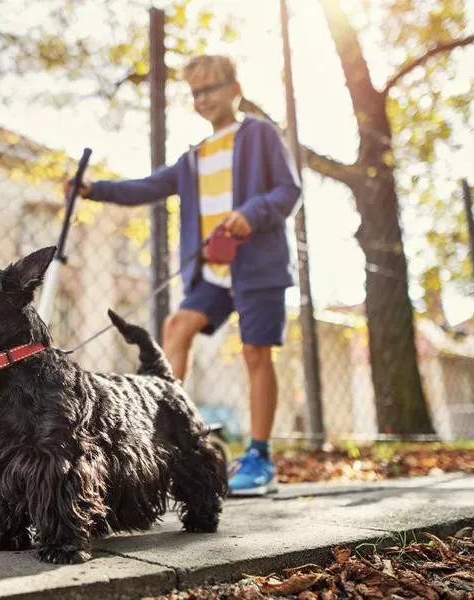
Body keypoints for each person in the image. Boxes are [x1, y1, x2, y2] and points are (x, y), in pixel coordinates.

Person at [64, 54, 301, 496]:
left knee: (255, 352)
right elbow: (146, 187)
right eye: (195, 93)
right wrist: (94, 190)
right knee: (177, 326)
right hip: (211, 271)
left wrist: (252, 213)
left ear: (235, 89)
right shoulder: (194, 157)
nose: (203, 98)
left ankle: (260, 457)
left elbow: (289, 190)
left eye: (212, 88)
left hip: (258, 265)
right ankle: (171, 437)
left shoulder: (259, 135)